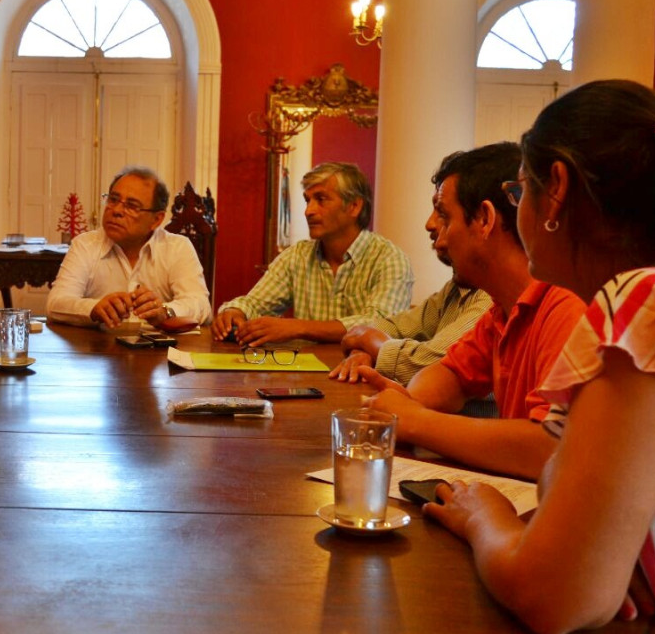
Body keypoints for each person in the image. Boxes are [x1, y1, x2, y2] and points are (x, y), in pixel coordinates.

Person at [423, 81, 655, 634]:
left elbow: (555, 596)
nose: (517, 207)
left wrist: (481, 515)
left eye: (519, 189)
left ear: (557, 191)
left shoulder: (648, 303)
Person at [357, 144, 585, 480]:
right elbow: (447, 378)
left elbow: (548, 448)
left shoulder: (565, 305)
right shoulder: (501, 309)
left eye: (446, 217)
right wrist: (404, 403)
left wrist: (415, 421)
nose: (439, 235)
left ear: (485, 220)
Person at [332, 146, 506, 386]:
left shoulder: (494, 296)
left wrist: (374, 346)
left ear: (485, 220)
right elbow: (389, 327)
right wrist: (364, 349)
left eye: (443, 213)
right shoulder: (458, 288)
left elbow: (432, 367)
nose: (430, 224)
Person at [210, 162, 413, 347]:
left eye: (321, 199)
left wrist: (298, 327)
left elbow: (381, 324)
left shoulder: (389, 259)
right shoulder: (297, 255)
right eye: (307, 200)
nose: (309, 211)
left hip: (363, 373)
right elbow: (255, 303)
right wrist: (235, 312)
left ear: (354, 206)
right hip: (304, 371)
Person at [46, 166, 212, 328]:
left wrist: (165, 312)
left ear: (156, 220)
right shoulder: (85, 245)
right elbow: (56, 303)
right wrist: (93, 309)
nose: (116, 210)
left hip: (159, 346)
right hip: (97, 345)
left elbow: (201, 305)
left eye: (132, 206)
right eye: (113, 199)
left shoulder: (177, 248)